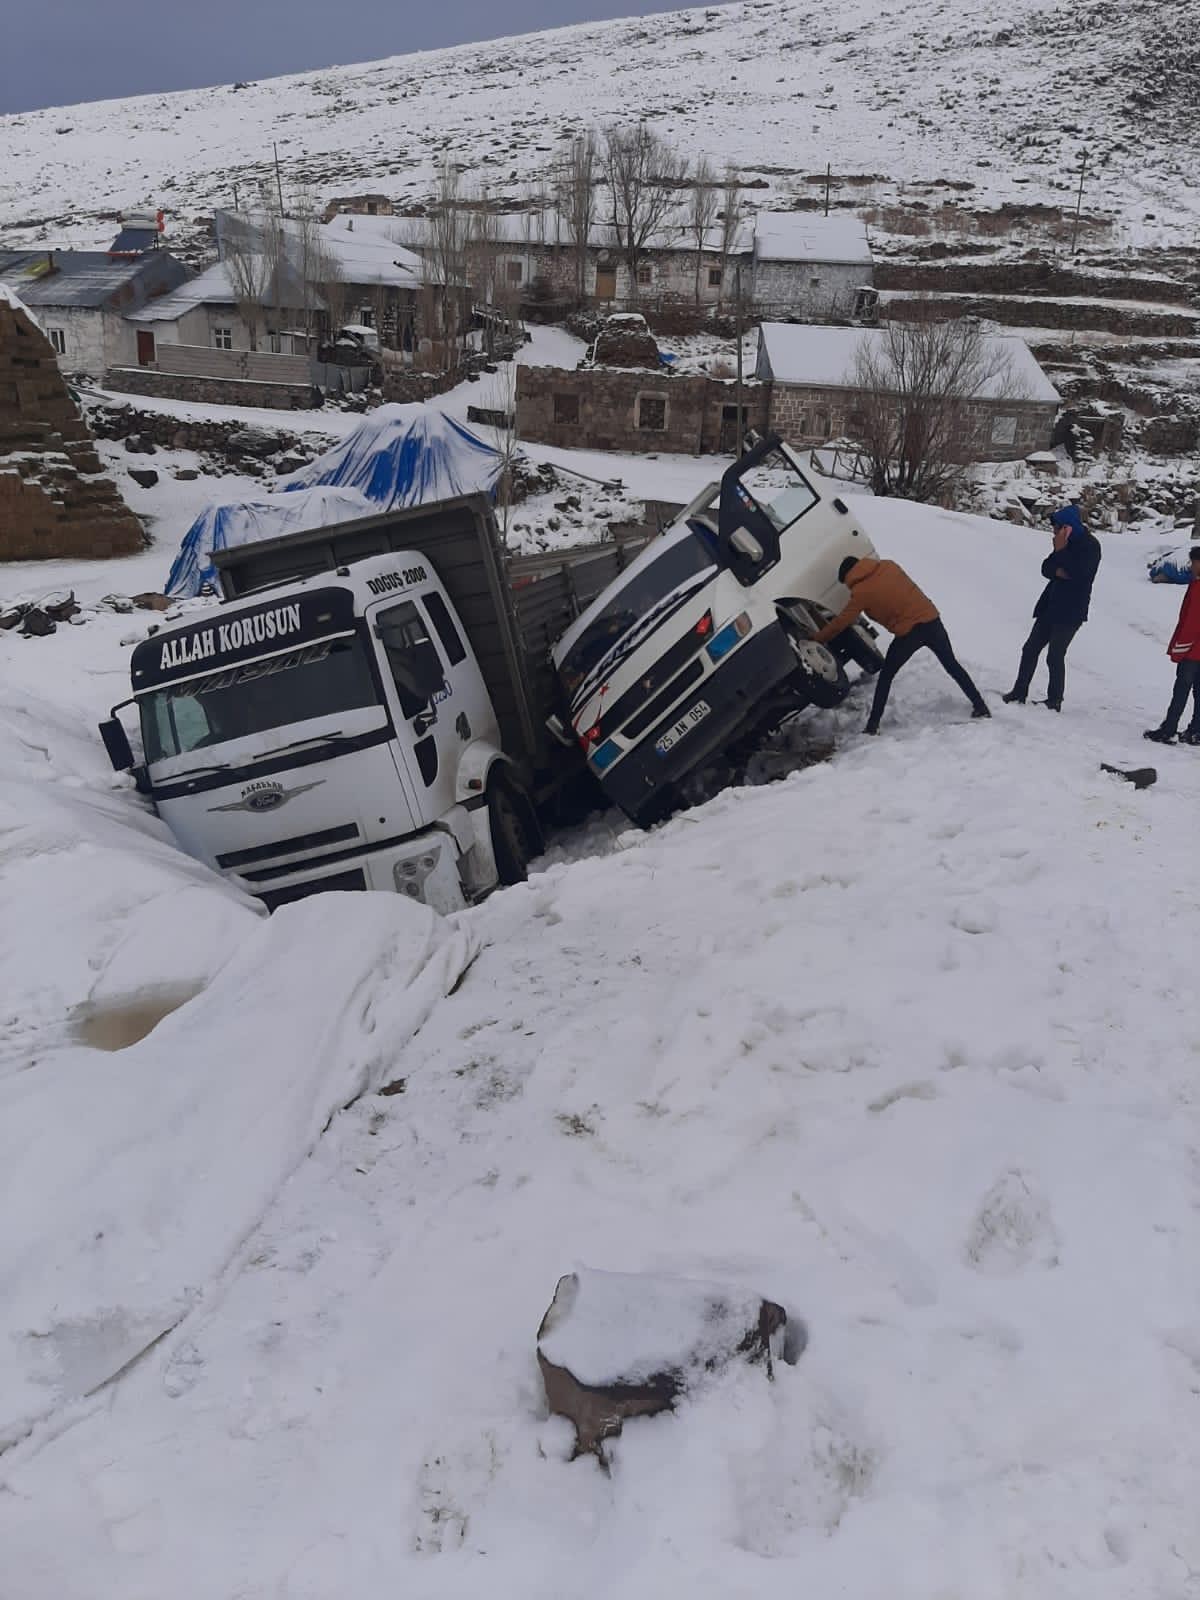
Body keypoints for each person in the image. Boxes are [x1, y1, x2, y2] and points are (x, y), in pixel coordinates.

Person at [814, 555, 990, 734]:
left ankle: (872, 726)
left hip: (909, 635)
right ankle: (981, 706)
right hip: (931, 620)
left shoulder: (861, 592)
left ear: (848, 577)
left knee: (886, 677)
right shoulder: (889, 566)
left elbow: (842, 621)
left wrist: (818, 638)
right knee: (952, 666)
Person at [1003, 505, 1102, 711]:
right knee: (1029, 649)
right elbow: (1046, 568)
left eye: (1058, 528)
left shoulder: (1090, 546)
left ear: (1068, 527)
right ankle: (1019, 692)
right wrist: (1058, 567)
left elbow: (1078, 575)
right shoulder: (1063, 544)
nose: (1054, 533)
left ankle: (1054, 700)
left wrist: (1061, 552)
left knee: (1055, 655)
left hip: (1071, 611)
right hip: (1051, 605)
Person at [1145, 546, 1200, 745]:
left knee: (1181, 689)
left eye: (1194, 562)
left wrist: (1179, 649)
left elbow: (1192, 622)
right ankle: (1196, 730)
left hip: (1193, 651)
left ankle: (1169, 729)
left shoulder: (1198, 587)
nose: (1192, 567)